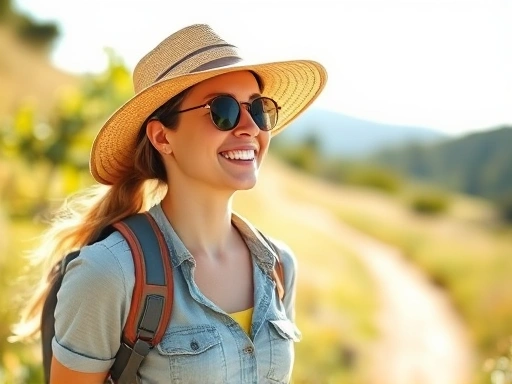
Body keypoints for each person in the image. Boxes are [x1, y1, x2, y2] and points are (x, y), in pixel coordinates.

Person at [13, 24, 327, 383]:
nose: (248, 128)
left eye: (258, 109)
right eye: (222, 110)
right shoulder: (109, 274)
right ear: (163, 136)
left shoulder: (279, 267)